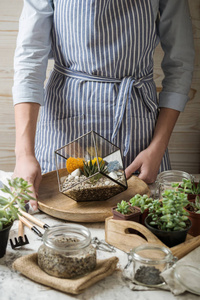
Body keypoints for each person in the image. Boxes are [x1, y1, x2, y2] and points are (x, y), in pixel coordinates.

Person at [12, 0, 195, 211]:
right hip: (66, 124)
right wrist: (24, 154)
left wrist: (158, 148)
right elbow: (30, 58)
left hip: (138, 133)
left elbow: (180, 64)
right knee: (57, 223)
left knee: (138, 220)